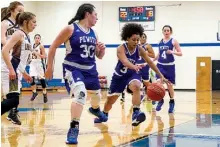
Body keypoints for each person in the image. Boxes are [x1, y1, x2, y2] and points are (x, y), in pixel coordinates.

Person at [45, 3, 106, 144]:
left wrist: (101, 50)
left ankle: (95, 109)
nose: (97, 18)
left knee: (96, 96)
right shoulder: (71, 28)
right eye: (95, 15)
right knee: (81, 94)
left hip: (90, 70)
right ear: (87, 14)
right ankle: (74, 128)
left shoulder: (94, 32)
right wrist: (49, 67)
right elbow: (53, 46)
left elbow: (99, 56)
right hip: (73, 68)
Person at [95, 23, 167, 126]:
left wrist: (160, 75)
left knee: (137, 86)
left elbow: (150, 62)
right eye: (134, 39)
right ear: (127, 38)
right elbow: (125, 62)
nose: (136, 42)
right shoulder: (121, 48)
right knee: (110, 100)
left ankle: (136, 113)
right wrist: (134, 66)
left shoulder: (140, 49)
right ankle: (105, 114)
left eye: (138, 40)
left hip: (132, 74)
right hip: (119, 76)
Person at [1, 12, 36, 124]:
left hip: (17, 70)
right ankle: (12, 115)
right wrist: (11, 69)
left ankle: (12, 115)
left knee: (14, 100)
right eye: (33, 22)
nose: (35, 24)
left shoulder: (26, 36)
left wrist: (24, 73)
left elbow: (18, 58)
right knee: (13, 100)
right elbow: (5, 51)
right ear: (25, 22)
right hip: (10, 70)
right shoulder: (19, 34)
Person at [1, 1, 24, 125]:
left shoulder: (19, 26)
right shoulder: (5, 23)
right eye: (19, 11)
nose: (21, 14)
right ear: (12, 11)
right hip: (5, 59)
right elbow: (3, 39)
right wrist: (10, 46)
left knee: (15, 93)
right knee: (12, 95)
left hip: (15, 60)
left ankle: (12, 112)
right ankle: (12, 111)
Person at [154, 25, 182, 113]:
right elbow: (159, 53)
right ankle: (160, 100)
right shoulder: (160, 41)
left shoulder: (174, 41)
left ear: (170, 32)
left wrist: (172, 52)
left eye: (168, 30)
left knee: (169, 85)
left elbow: (180, 53)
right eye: (165, 30)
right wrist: (152, 60)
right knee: (159, 83)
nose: (166, 32)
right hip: (160, 65)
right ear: (162, 32)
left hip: (170, 66)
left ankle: (172, 101)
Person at [29, 34, 48, 103]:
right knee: (31, 78)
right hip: (32, 63)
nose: (37, 39)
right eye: (36, 38)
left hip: (39, 63)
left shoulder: (41, 46)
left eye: (38, 38)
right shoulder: (31, 46)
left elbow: (45, 56)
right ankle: (34, 92)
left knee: (41, 79)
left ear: (40, 39)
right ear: (34, 39)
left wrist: (38, 54)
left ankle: (44, 93)